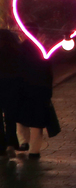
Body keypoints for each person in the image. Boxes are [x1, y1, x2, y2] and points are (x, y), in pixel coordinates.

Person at [7, 19, 58, 160]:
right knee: (37, 122)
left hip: (23, 88)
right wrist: (48, 90)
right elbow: (48, 71)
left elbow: (15, 69)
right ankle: (34, 151)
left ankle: (24, 143)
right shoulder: (43, 49)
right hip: (39, 90)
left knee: (21, 117)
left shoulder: (19, 48)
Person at [1, 21, 21, 159]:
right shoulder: (15, 52)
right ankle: (12, 144)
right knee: (11, 117)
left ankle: (1, 148)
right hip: (12, 87)